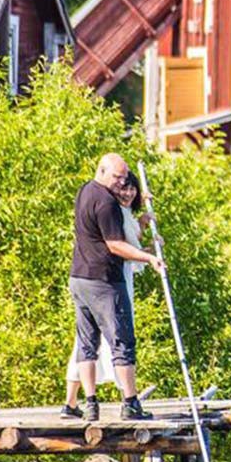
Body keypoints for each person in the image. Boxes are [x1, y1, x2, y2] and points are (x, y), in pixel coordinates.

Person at [66, 153, 165, 422]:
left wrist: (142, 220)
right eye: (117, 177)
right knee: (122, 342)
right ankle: (130, 404)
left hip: (79, 277)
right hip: (103, 280)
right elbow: (114, 244)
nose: (121, 182)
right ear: (102, 170)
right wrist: (149, 258)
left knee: (87, 344)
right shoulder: (106, 202)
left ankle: (90, 404)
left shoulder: (85, 190)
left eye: (125, 177)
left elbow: (107, 234)